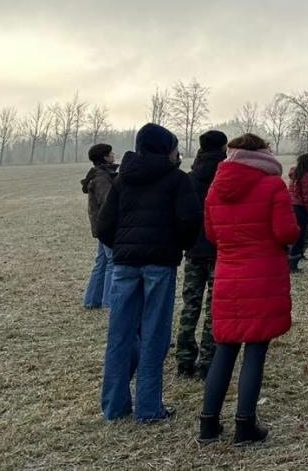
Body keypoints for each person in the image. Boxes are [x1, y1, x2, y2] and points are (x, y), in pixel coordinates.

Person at [198, 133, 300, 445]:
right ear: (261, 153)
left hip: (229, 275)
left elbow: (212, 234)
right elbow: (286, 232)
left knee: (225, 348)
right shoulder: (272, 186)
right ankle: (245, 425)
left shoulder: (216, 188)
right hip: (263, 275)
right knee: (255, 348)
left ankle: (208, 424)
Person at [97, 123, 200, 422]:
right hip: (160, 265)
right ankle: (149, 408)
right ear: (165, 148)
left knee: (120, 334)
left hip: (125, 264)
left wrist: (123, 246)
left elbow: (104, 226)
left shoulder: (122, 180)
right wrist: (175, 246)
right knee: (155, 334)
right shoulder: (177, 179)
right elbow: (190, 222)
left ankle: (114, 406)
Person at [176, 129, 226, 379]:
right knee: (213, 307)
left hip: (194, 249)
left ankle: (184, 358)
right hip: (219, 249)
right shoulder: (226, 177)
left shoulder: (190, 177)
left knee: (190, 305)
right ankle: (209, 360)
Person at [82, 142, 118, 310]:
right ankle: (109, 302)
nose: (113, 155)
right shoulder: (102, 178)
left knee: (102, 262)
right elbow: (107, 202)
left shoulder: (98, 175)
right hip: (106, 226)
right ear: (104, 157)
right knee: (111, 262)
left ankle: (92, 300)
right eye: (111, 153)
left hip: (100, 226)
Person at [288, 152, 308, 273]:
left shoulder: (294, 174)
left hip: (291, 206)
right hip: (301, 208)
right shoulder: (306, 176)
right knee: (301, 236)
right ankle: (293, 264)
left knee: (294, 235)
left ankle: (290, 259)